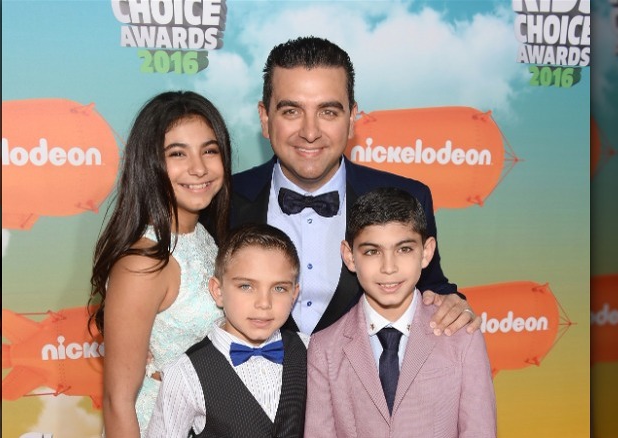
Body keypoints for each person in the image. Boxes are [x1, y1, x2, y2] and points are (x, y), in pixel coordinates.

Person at [231, 36, 480, 336]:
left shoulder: (410, 197)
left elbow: (431, 288)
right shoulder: (223, 200)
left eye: (328, 112)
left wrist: (453, 304)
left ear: (351, 119)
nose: (310, 132)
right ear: (265, 117)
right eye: (291, 111)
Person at [88, 91, 232, 437]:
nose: (198, 168)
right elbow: (117, 400)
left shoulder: (205, 239)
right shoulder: (143, 263)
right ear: (149, 164)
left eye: (209, 150)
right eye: (177, 154)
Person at [305, 187, 496, 437]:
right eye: (372, 251)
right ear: (350, 256)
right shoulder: (324, 348)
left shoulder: (462, 337)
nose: (389, 268)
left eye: (404, 249)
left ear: (426, 252)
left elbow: (479, 431)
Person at [146, 223, 308, 438]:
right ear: (218, 291)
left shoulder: (313, 350)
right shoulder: (185, 373)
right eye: (246, 286)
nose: (264, 303)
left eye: (279, 288)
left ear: (294, 294)